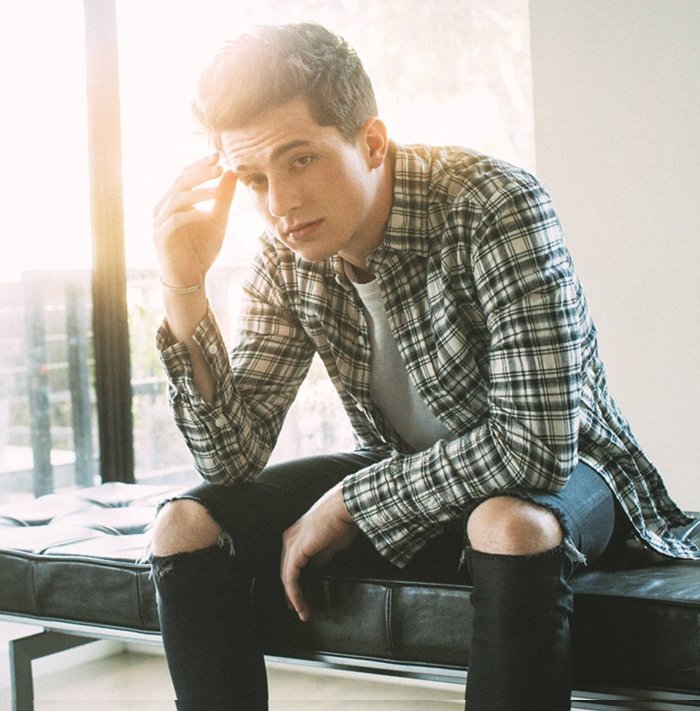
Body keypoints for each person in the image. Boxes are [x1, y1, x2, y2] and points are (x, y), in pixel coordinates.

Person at [149, 23, 698, 711]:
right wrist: (183, 288)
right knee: (183, 525)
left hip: (572, 475)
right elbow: (228, 457)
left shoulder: (494, 204)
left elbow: (535, 447)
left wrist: (349, 502)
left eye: (301, 159)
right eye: (255, 180)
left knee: (507, 523)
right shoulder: (284, 259)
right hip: (411, 473)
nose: (280, 205)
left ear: (371, 142)